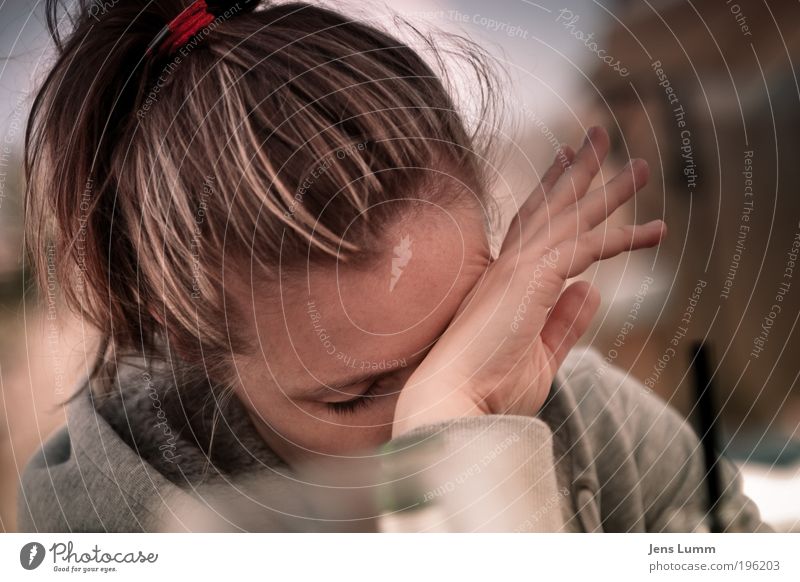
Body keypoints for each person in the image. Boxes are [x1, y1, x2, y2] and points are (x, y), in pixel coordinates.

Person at [18, 0, 770, 532]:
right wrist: (459, 455)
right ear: (189, 342)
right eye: (361, 393)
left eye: (468, 324)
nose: (448, 387)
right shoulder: (108, 523)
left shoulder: (590, 415)